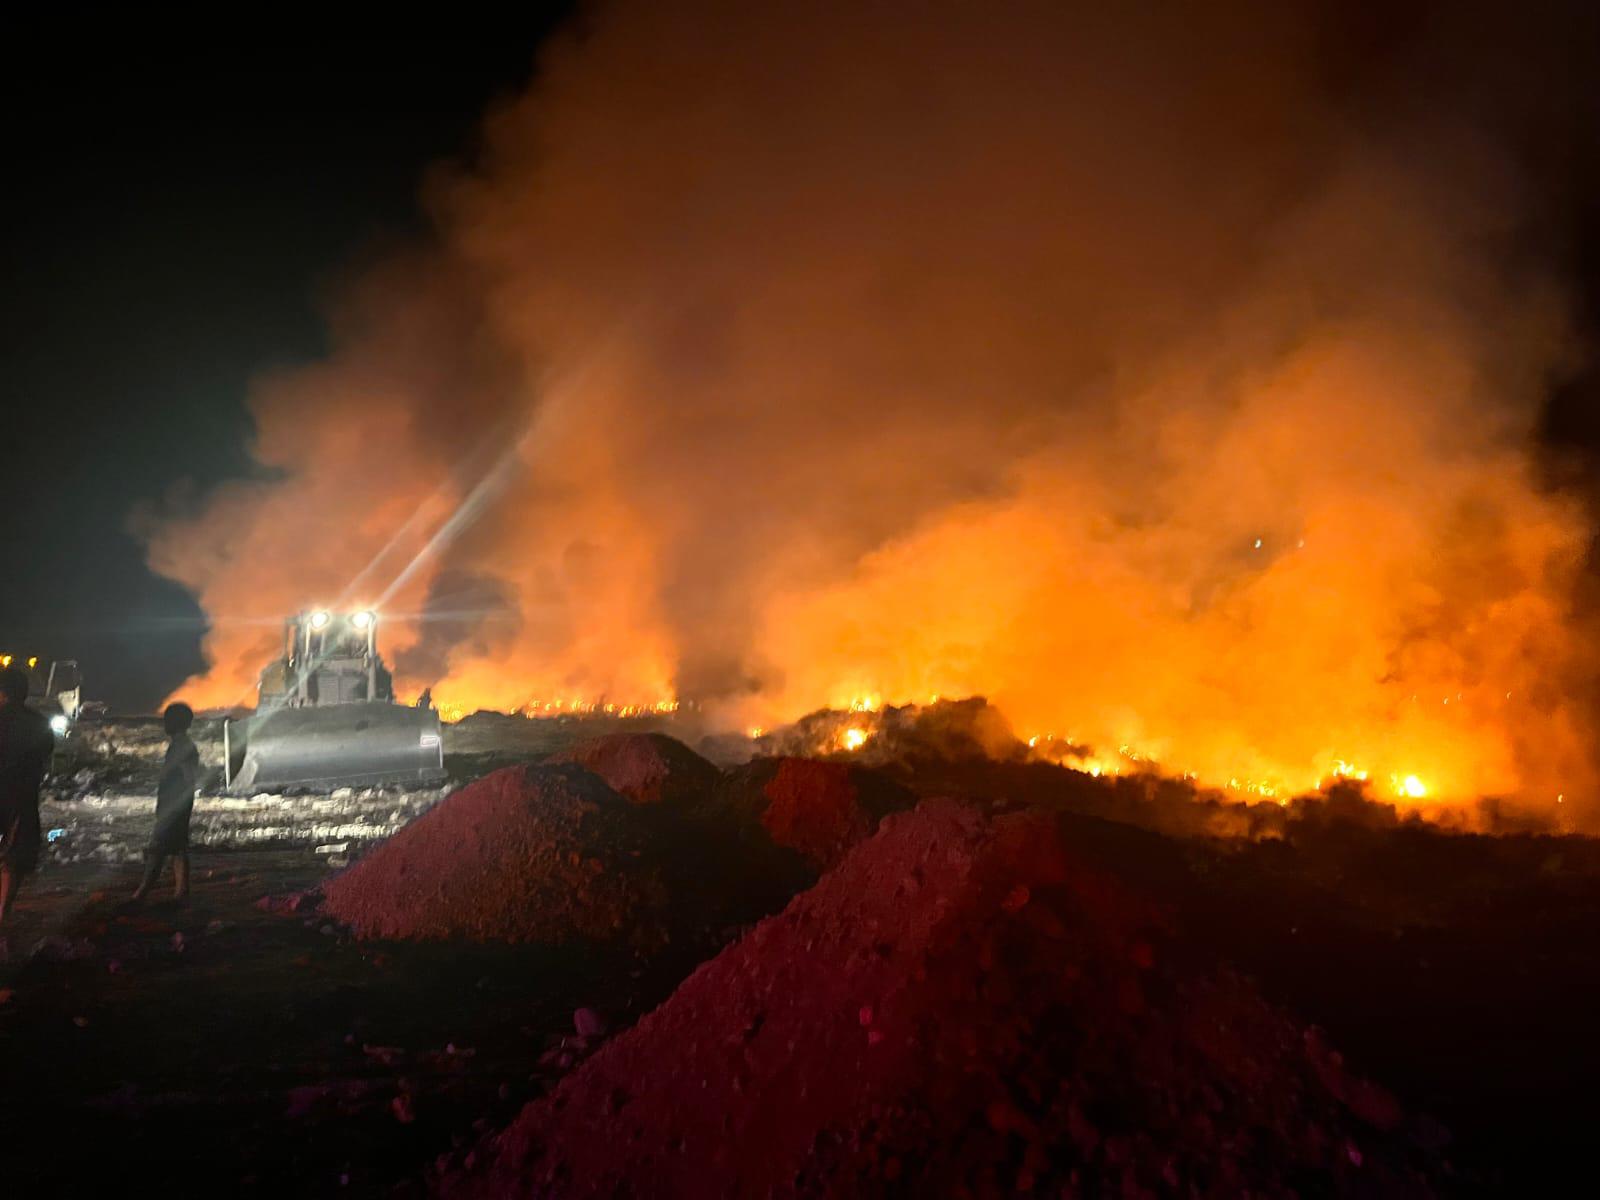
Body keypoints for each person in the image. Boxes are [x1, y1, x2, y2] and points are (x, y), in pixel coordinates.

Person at [132, 702, 202, 903]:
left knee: (158, 848)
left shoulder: (182, 747)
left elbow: (189, 777)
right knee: (178, 847)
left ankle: (142, 893)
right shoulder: (183, 744)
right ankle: (182, 890)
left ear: (176, 722)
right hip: (177, 804)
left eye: (168, 719)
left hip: (174, 806)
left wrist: (176, 803)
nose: (165, 723)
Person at [0, 664, 54, 925]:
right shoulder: (39, 723)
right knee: (14, 857)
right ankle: (3, 911)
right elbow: (45, 758)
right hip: (23, 796)